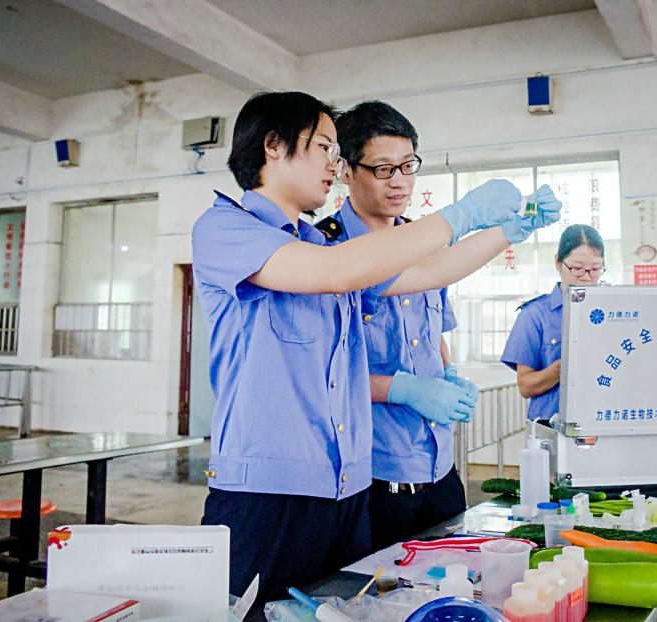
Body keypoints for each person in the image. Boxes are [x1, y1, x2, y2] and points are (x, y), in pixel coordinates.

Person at [191, 91, 560, 609]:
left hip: (343, 488)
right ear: (273, 147)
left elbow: (429, 273)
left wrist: (502, 231)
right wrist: (463, 211)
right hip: (267, 492)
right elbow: (336, 272)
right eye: (323, 146)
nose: (332, 163)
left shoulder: (322, 246)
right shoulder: (226, 229)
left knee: (347, 610)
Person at [319, 101, 552, 550]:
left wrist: (447, 375)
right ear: (346, 170)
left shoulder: (422, 240)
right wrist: (405, 389)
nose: (401, 181)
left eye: (408, 165)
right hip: (371, 475)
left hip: (439, 465)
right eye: (383, 169)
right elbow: (319, 373)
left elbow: (432, 331)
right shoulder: (326, 251)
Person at [501, 224, 606, 424]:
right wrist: (562, 367)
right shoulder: (535, 315)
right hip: (550, 425)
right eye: (576, 269)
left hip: (601, 421)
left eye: (595, 269)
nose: (586, 277)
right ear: (558, 263)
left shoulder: (614, 312)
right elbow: (525, 386)